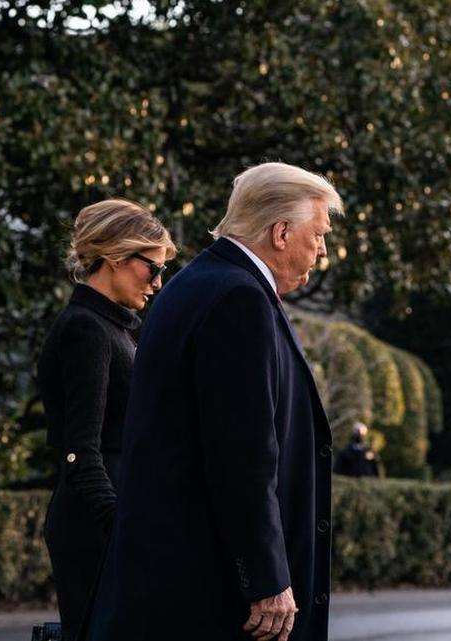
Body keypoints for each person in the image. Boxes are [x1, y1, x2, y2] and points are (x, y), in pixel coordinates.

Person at [88, 162, 342, 641]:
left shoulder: (201, 284)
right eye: (319, 233)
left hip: (173, 581)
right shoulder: (237, 299)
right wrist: (266, 578)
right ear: (282, 232)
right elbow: (241, 456)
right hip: (210, 594)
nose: (323, 248)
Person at [36, 199, 176, 641]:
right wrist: (120, 525)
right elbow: (82, 450)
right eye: (151, 268)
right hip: (94, 526)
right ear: (116, 257)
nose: (158, 282)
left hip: (113, 517)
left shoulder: (115, 328)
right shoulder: (87, 330)